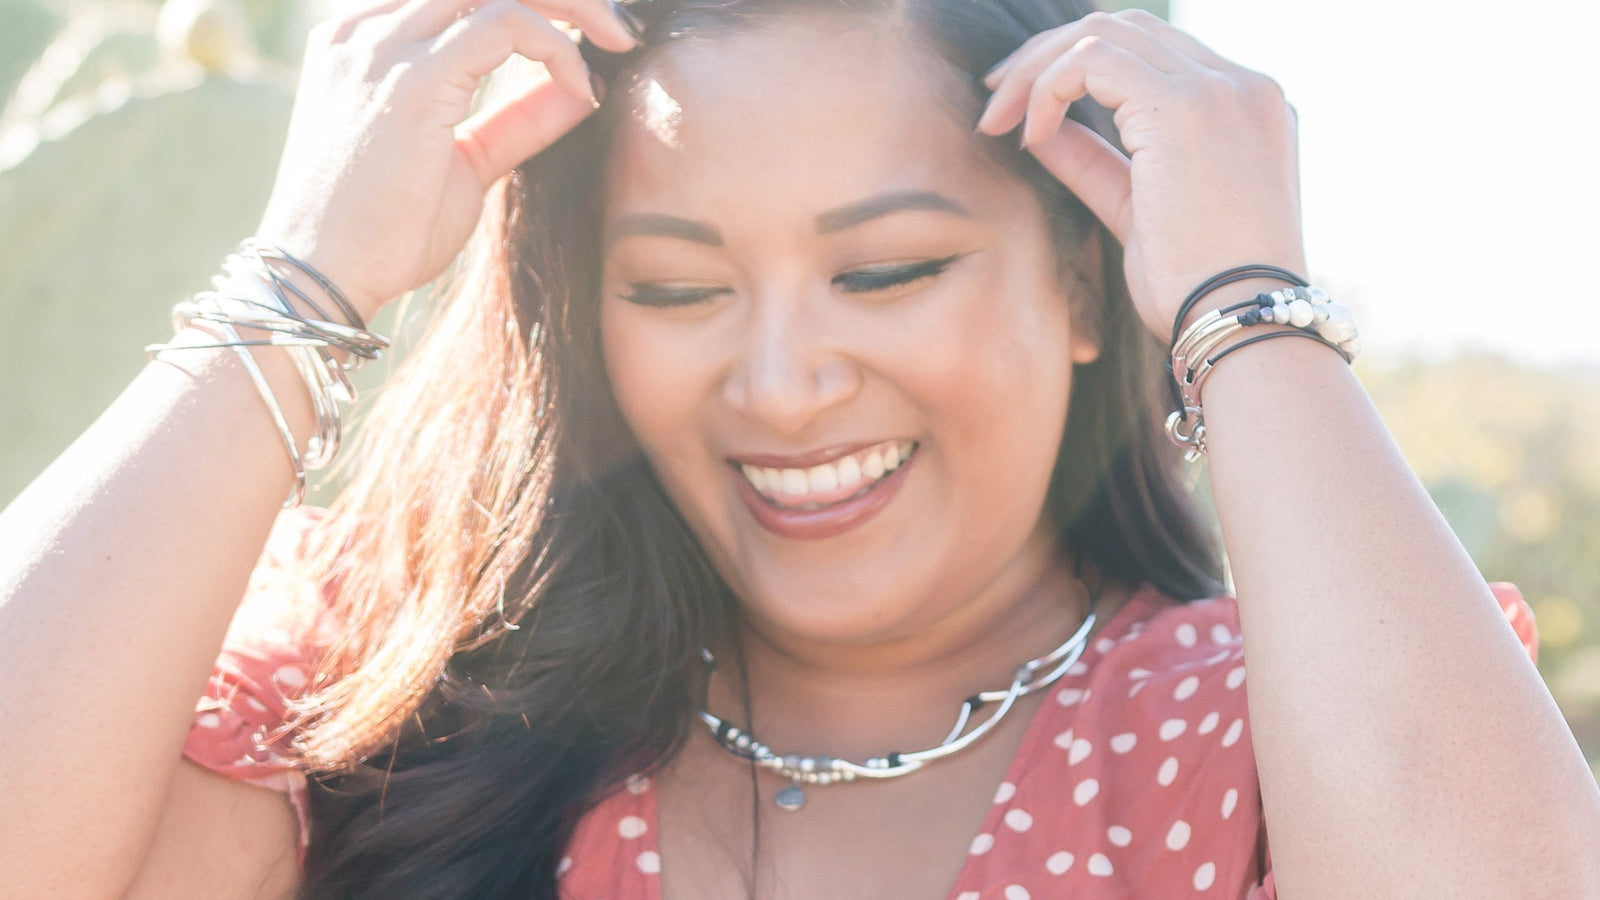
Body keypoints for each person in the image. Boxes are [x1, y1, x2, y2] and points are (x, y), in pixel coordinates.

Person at [1, 0, 1596, 897]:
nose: (779, 386)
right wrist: (304, 277)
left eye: (888, 270)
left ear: (1091, 277)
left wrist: (1249, 305)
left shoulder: (1266, 739)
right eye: (677, 287)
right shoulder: (374, 704)